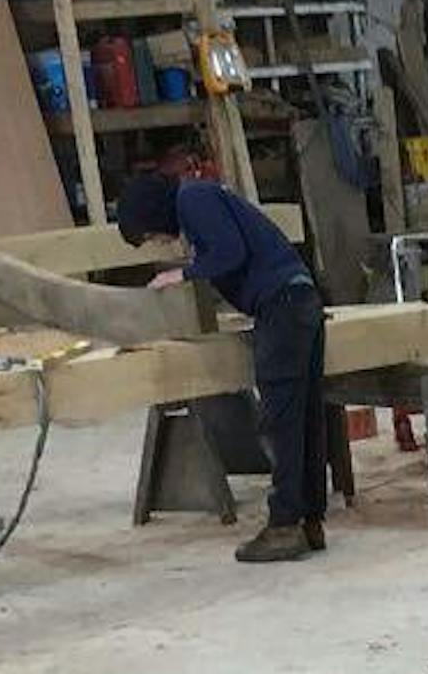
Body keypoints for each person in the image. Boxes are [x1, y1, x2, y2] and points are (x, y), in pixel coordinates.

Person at [115, 168, 328, 564]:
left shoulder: (192, 199)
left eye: (152, 236)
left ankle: (285, 527)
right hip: (298, 302)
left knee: (282, 423)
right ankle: (309, 522)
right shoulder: (201, 199)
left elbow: (230, 253)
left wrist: (182, 273)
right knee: (303, 418)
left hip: (282, 308)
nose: (161, 242)